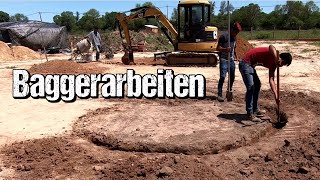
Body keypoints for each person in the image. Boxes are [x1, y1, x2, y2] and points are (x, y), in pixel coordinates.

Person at [239, 45, 292, 122]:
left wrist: (276, 95)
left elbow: (271, 80)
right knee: (251, 87)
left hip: (251, 66)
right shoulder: (273, 54)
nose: (281, 66)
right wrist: (276, 58)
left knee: (257, 85)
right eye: (283, 63)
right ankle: (250, 113)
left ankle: (255, 109)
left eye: (283, 65)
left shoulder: (274, 65)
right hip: (245, 63)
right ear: (281, 58)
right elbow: (271, 47)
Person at [216, 22, 242, 102]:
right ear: (232, 30)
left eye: (238, 32)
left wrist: (236, 57)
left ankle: (229, 91)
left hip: (231, 60)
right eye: (236, 32)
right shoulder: (224, 36)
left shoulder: (234, 38)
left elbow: (234, 48)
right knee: (223, 77)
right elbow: (217, 48)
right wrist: (225, 50)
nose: (236, 34)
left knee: (232, 77)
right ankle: (219, 94)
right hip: (224, 59)